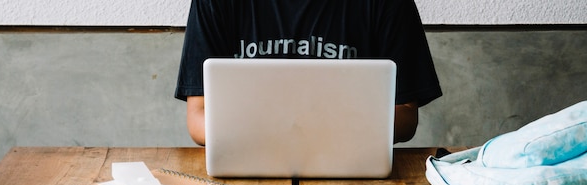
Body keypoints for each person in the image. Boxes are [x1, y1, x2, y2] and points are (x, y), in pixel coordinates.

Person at [175, 0, 442, 146]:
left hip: (354, 172)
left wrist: (316, 131)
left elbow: (405, 115)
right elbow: (198, 116)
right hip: (246, 170)